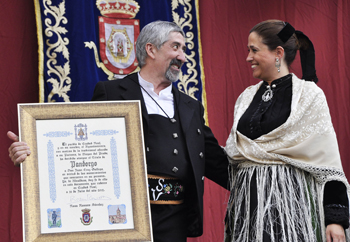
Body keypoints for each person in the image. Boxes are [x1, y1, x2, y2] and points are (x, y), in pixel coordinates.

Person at [7, 20, 229, 242]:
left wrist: (259, 175)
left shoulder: (191, 107)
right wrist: (30, 155)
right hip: (123, 217)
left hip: (174, 220)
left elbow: (216, 161)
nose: (183, 56)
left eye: (183, 49)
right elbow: (81, 147)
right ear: (151, 49)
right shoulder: (111, 92)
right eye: (175, 47)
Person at [224, 19, 349, 242]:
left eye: (254, 50)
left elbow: (327, 165)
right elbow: (235, 155)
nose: (248, 57)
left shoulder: (309, 96)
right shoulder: (246, 97)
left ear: (278, 53)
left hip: (290, 210)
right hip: (247, 210)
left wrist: (335, 220)